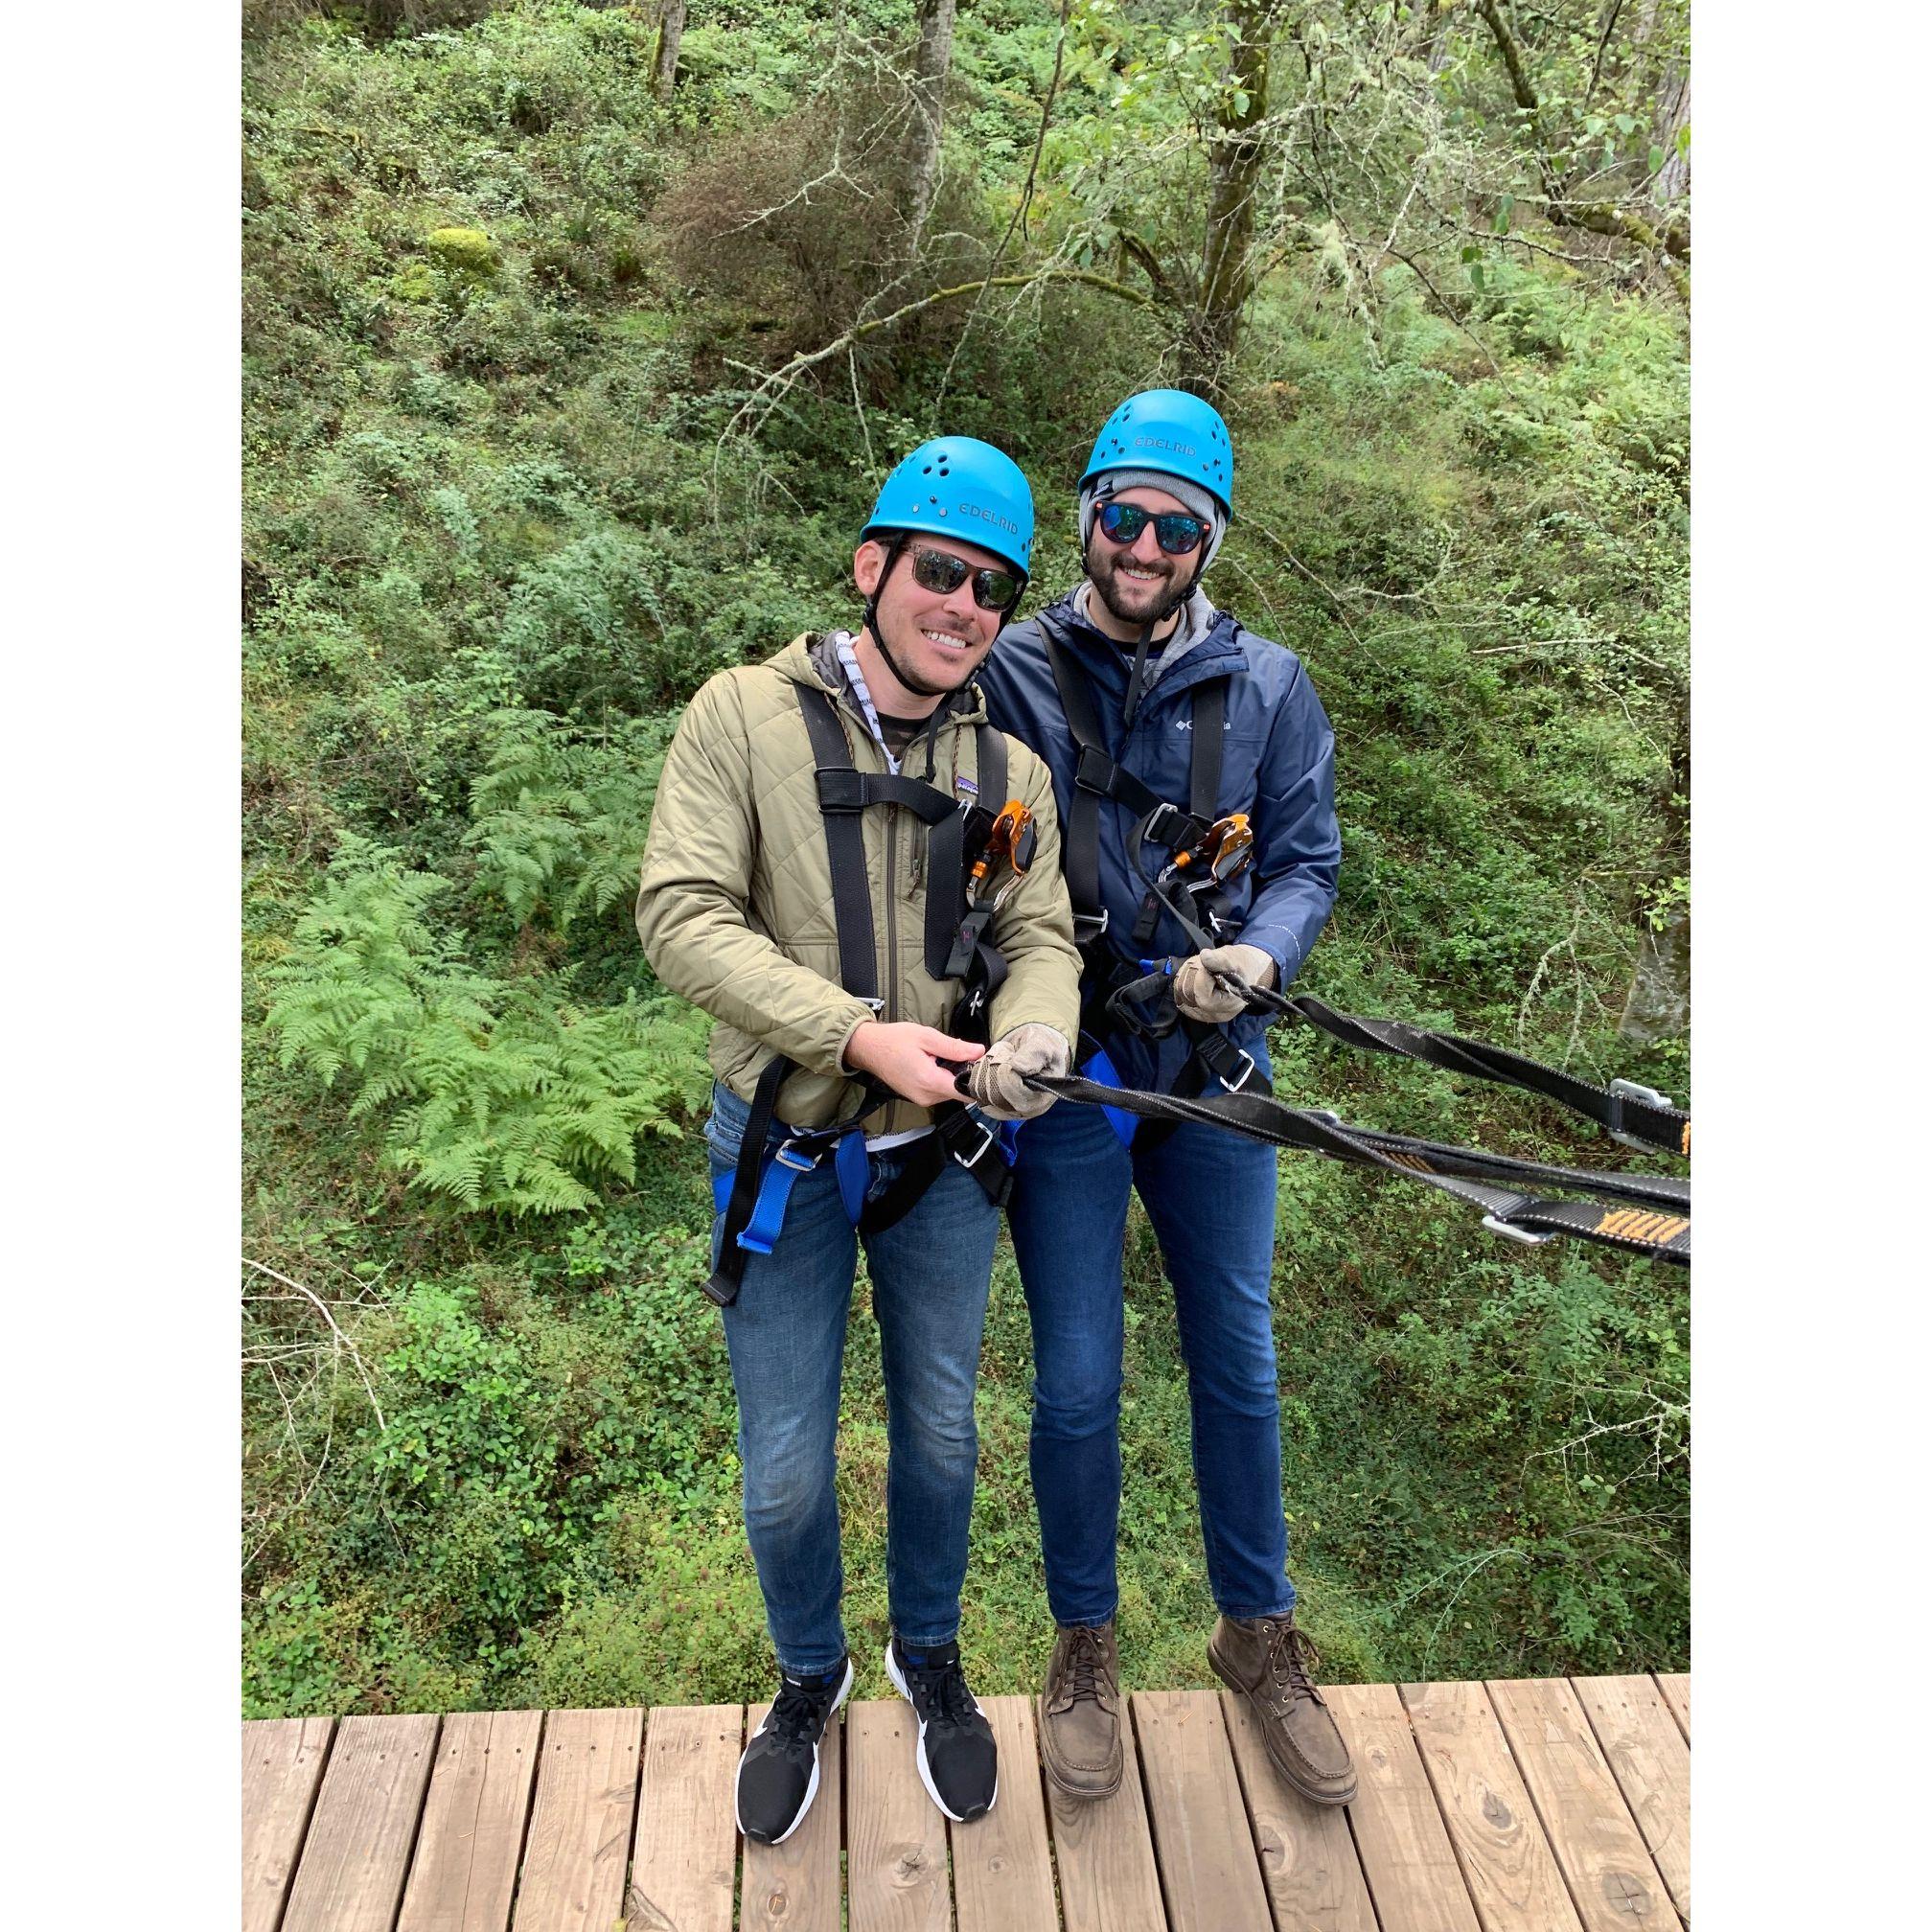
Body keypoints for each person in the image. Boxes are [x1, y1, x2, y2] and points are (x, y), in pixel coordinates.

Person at [635, 436, 1081, 1845]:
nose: (964, 605)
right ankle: (809, 1674)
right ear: (873, 566)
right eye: (941, 571)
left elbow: (1038, 933)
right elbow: (683, 915)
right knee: (786, 1464)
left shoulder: (1008, 763)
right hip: (787, 1153)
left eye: (994, 588)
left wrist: (1037, 1039)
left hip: (943, 1166)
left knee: (942, 1436)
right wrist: (854, 1032)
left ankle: (928, 1653)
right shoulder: (740, 719)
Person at [974, 390, 1354, 1807]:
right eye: (1122, 517)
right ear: (1086, 517)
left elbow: (1307, 858)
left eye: (1173, 526)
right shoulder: (1006, 671)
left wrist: (1259, 951)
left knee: (1240, 1363)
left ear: (1209, 539)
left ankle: (1257, 1636)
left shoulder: (1269, 689)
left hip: (1213, 1069)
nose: (1142, 547)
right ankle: (1085, 1644)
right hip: (1071, 1069)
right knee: (1077, 1381)